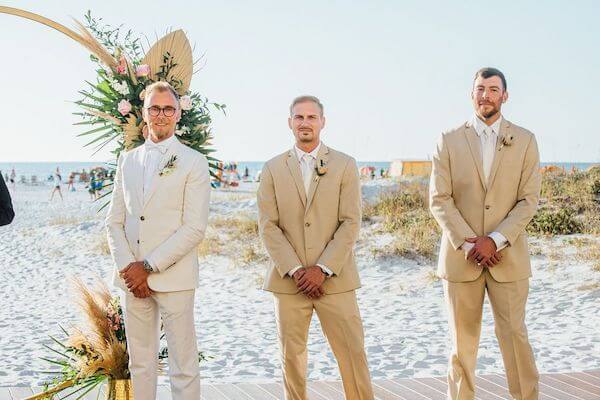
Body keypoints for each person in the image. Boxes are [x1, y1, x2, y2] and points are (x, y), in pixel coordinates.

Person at [429, 67, 541, 400]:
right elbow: (439, 198)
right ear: (471, 93)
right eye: (480, 89)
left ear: (504, 96)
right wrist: (469, 241)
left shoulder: (525, 140)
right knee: (461, 346)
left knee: (515, 339)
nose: (486, 95)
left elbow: (528, 200)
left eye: (493, 90)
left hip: (508, 258)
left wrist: (495, 239)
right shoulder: (448, 140)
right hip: (461, 259)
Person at [257, 95, 374, 400]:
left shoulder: (345, 165)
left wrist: (322, 269)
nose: (305, 123)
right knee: (291, 360)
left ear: (323, 122)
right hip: (288, 281)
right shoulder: (272, 168)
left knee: (353, 354)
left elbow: (350, 222)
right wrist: (297, 270)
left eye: (311, 117)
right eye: (299, 117)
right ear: (289, 123)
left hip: (335, 279)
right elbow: (268, 226)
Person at [106, 81, 210, 400]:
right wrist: (129, 269)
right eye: (154, 108)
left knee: (183, 365)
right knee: (141, 364)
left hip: (174, 277)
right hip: (132, 280)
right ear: (143, 113)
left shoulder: (193, 162)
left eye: (167, 109)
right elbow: (114, 222)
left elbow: (194, 228)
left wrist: (148, 267)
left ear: (178, 114)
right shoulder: (129, 160)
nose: (161, 115)